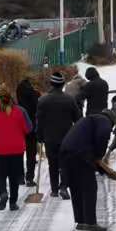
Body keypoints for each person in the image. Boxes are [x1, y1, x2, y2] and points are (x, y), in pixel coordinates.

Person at [0, 86, 33, 211]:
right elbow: (29, 128)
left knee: (1, 175)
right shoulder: (20, 111)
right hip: (17, 149)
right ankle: (13, 202)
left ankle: (3, 193)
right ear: (10, 96)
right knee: (14, 176)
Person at [60, 110, 113, 231]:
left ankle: (81, 221)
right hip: (80, 154)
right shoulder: (104, 121)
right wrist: (99, 156)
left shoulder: (90, 120)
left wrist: (101, 168)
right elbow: (102, 135)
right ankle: (90, 222)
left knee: (77, 187)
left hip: (66, 151)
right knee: (89, 188)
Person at [35, 71, 82, 200]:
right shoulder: (69, 99)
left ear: (51, 84)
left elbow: (39, 120)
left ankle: (54, 189)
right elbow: (78, 119)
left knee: (53, 164)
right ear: (62, 85)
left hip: (49, 138)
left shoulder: (43, 100)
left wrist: (39, 136)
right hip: (66, 137)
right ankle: (64, 186)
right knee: (65, 163)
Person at [15, 76, 42, 186]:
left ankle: (20, 177)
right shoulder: (33, 94)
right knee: (31, 154)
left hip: (19, 127)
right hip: (31, 127)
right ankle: (29, 178)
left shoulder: (19, 93)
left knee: (19, 153)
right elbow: (38, 110)